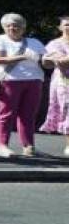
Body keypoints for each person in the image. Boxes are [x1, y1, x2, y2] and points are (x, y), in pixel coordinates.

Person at [0, 13, 46, 157]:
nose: (13, 28)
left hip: (34, 80)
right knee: (6, 114)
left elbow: (45, 60)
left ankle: (28, 146)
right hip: (8, 80)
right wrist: (24, 56)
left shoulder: (34, 42)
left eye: (17, 25)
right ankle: (2, 145)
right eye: (9, 25)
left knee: (28, 115)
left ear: (24, 27)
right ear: (4, 27)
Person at [38, 15, 69, 156]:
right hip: (64, 82)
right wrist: (56, 60)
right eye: (66, 24)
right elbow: (48, 63)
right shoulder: (54, 44)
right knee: (67, 112)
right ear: (60, 27)